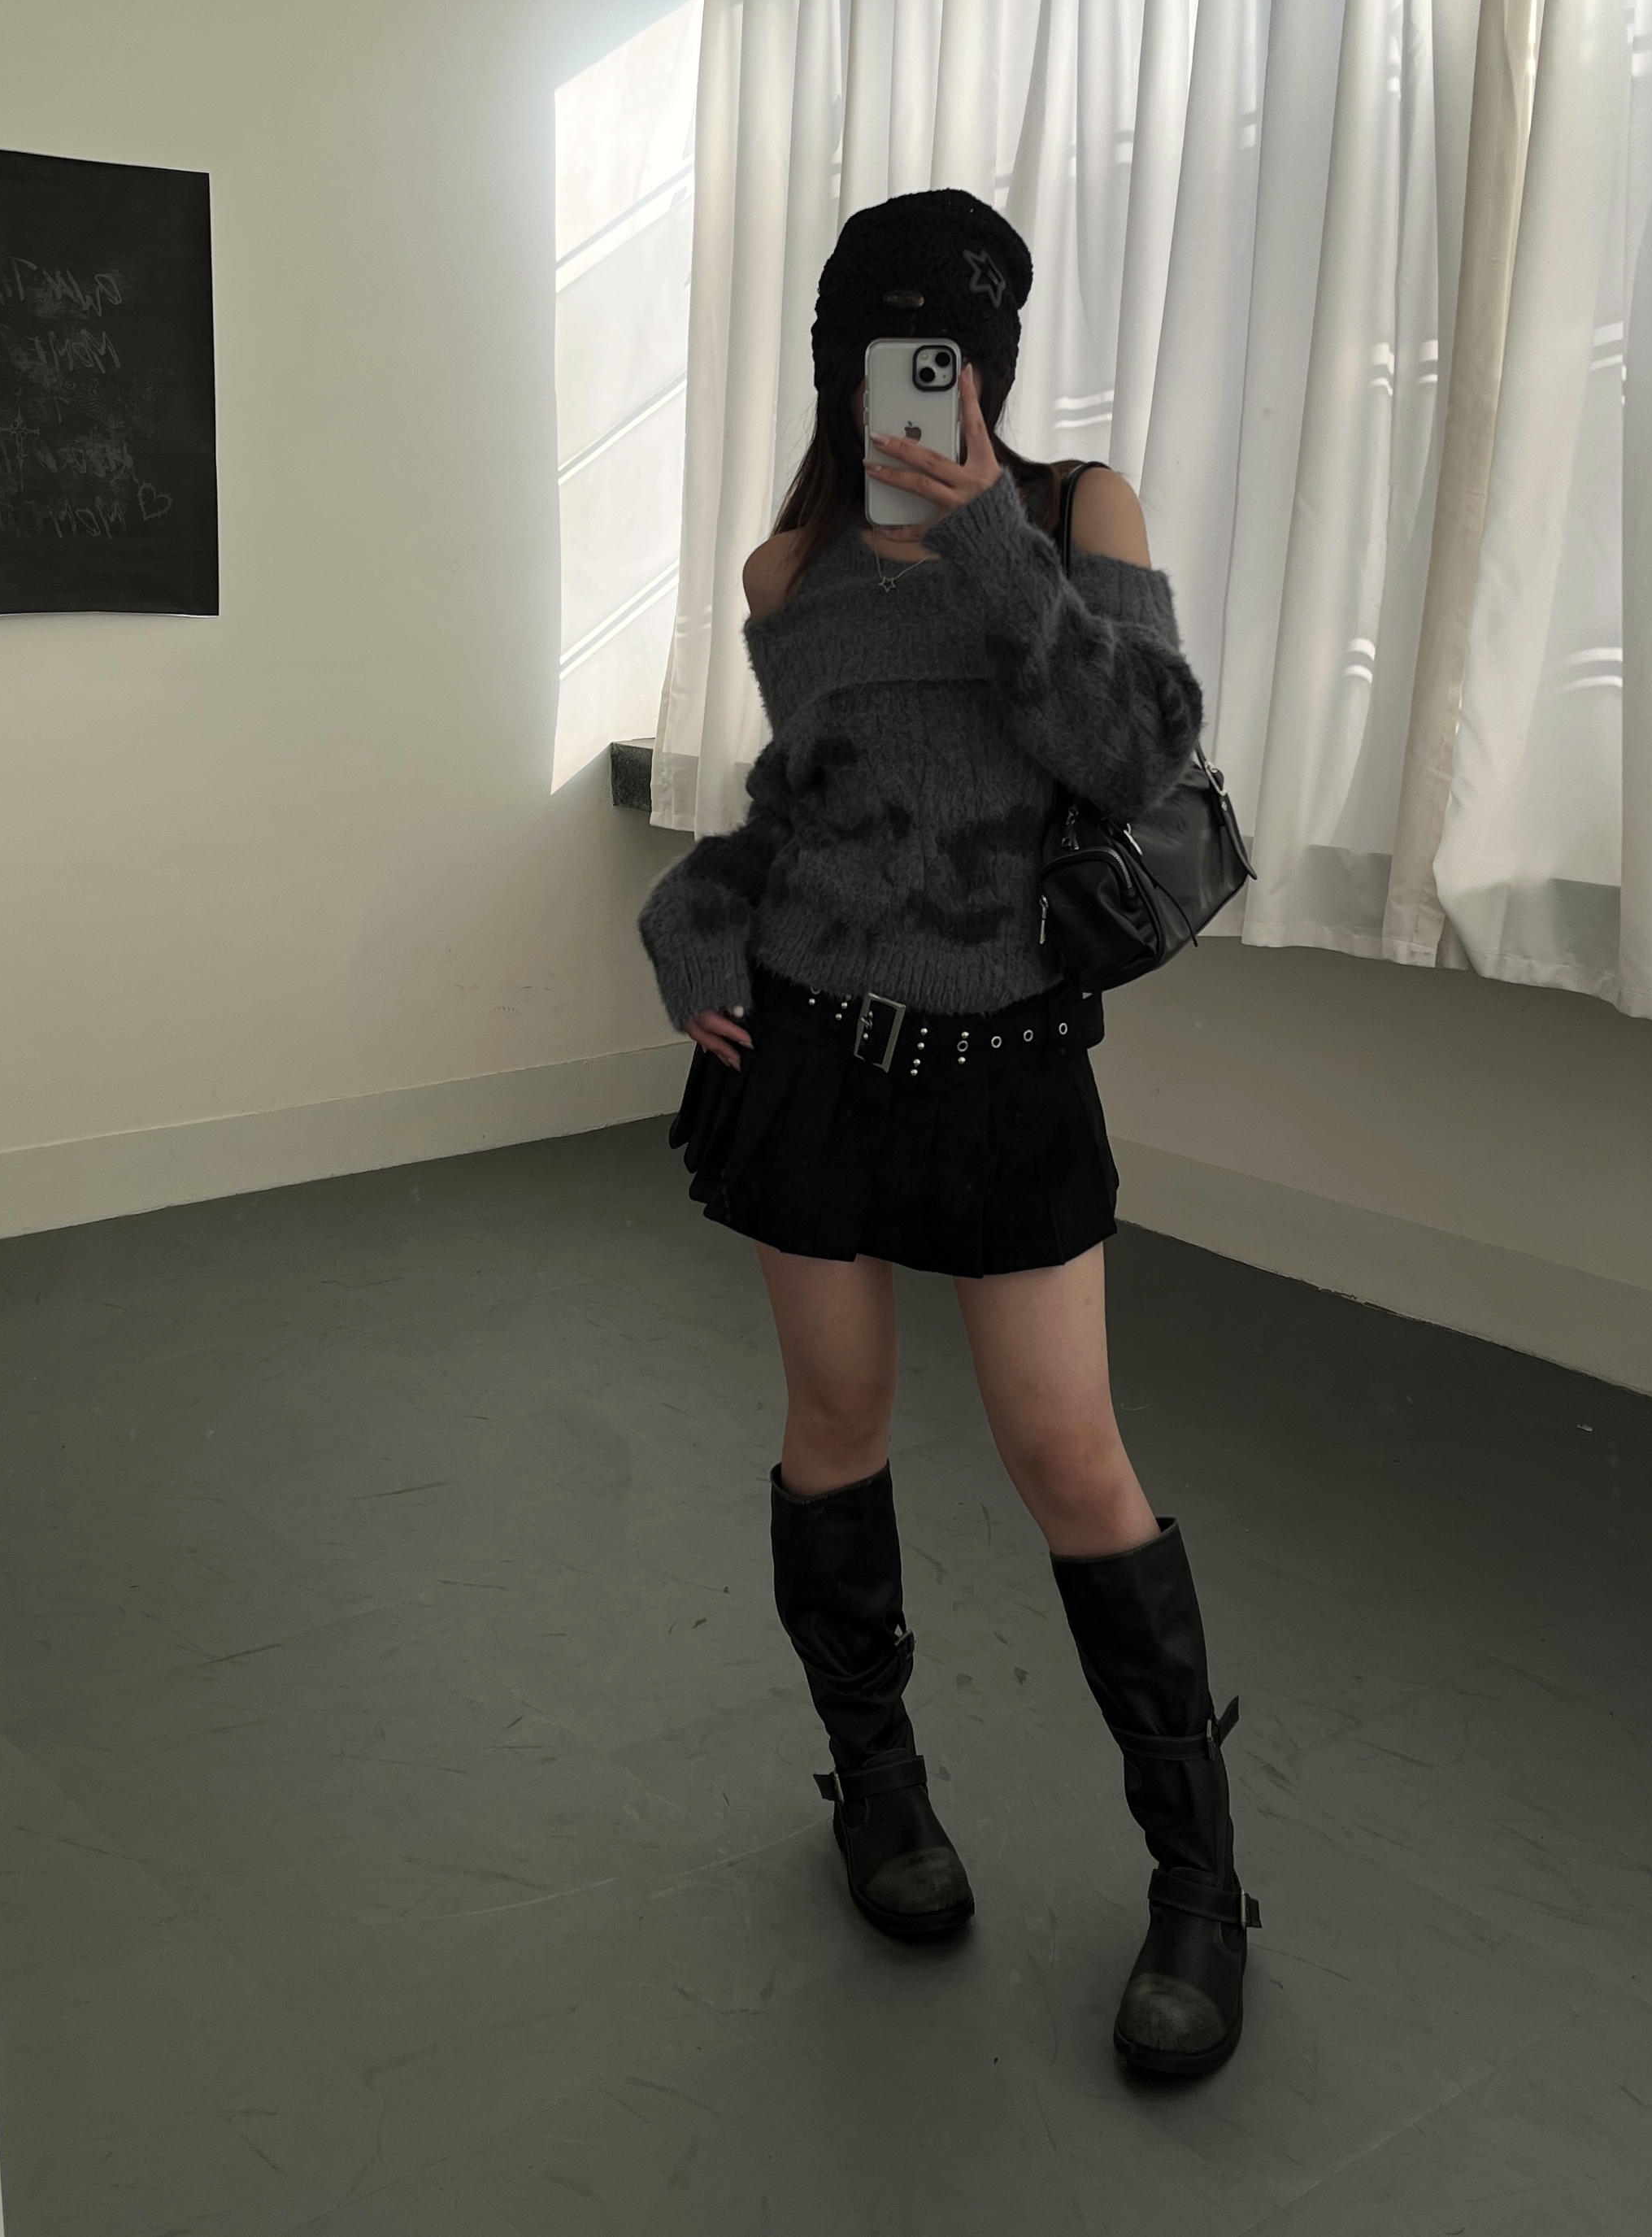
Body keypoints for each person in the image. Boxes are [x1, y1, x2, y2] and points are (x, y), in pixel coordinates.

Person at [637, 188, 1259, 2078]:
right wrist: (694, 916)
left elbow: (1133, 750)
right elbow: (809, 801)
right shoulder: (783, 566)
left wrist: (989, 524)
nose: (933, 375)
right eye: (898, 345)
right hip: (813, 1051)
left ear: (995, 356)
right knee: (834, 1425)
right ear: (840, 359)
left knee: (1071, 1453)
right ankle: (879, 1787)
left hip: (1011, 1065)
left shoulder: (1079, 509)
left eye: (964, 345)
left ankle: (1198, 1881)